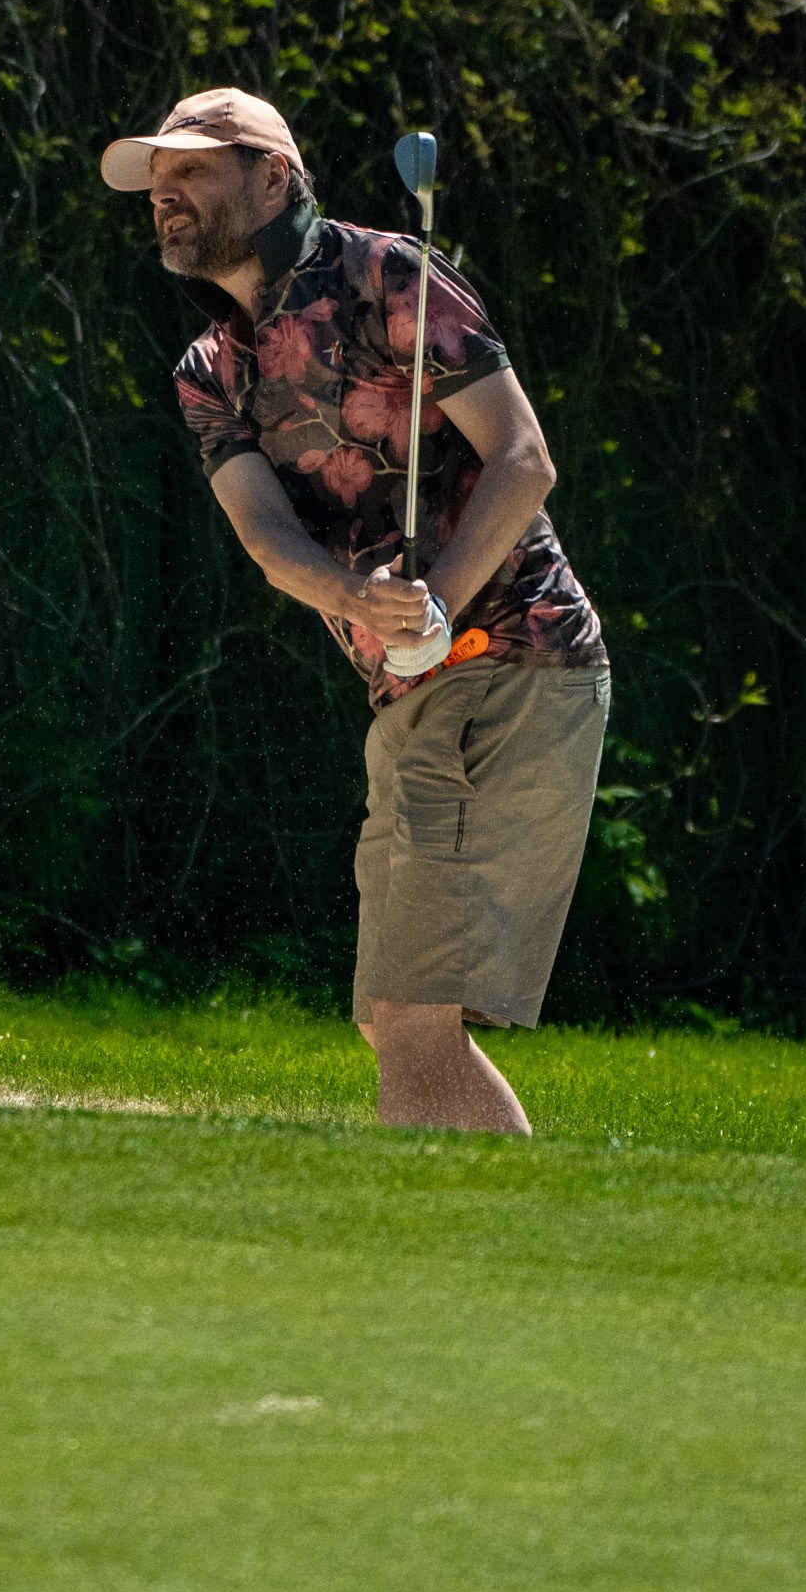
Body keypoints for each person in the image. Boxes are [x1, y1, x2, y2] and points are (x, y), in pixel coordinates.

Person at [100, 85, 609, 1132]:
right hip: (412, 692)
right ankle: (522, 1238)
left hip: (511, 659)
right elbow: (264, 533)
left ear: (273, 176)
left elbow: (524, 458)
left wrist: (437, 605)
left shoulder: (386, 274)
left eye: (191, 171)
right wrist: (354, 601)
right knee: (393, 1017)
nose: (166, 196)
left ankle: (432, 1267)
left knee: (413, 1014)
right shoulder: (209, 369)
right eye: (157, 182)